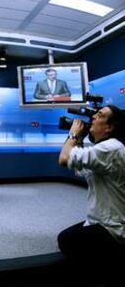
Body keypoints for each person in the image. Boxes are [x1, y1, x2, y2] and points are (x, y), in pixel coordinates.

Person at [57, 105, 125, 264]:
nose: (93, 117)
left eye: (99, 115)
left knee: (65, 239)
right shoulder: (109, 148)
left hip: (111, 230)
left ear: (109, 127)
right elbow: (81, 169)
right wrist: (80, 139)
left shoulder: (111, 148)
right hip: (105, 222)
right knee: (69, 235)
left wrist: (73, 134)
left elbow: (64, 158)